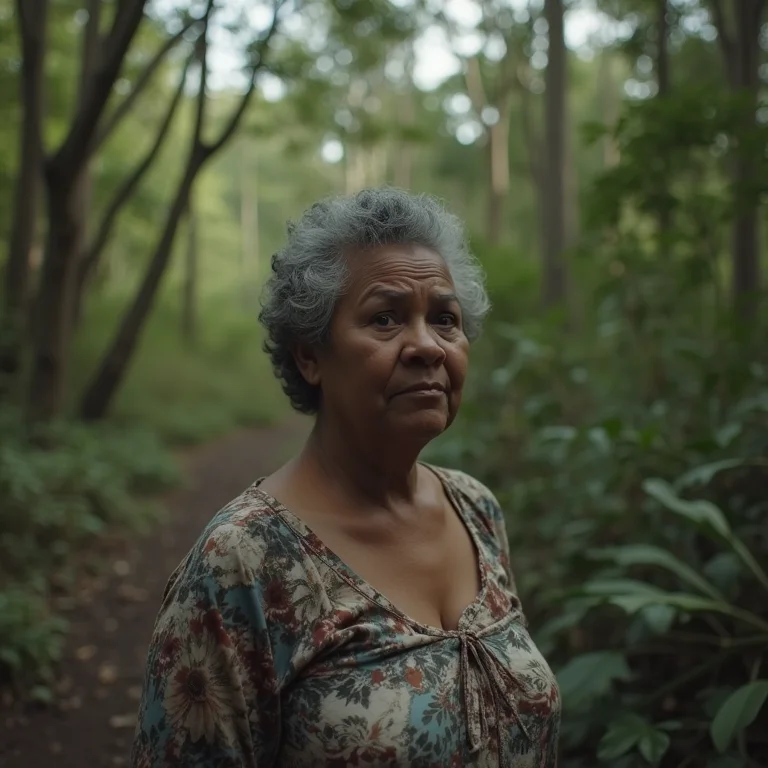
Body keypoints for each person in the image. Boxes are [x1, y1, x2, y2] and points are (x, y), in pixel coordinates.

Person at [131, 188, 560, 767]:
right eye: (385, 318)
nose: (426, 346)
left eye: (445, 319)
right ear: (311, 356)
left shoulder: (476, 508)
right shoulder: (242, 560)